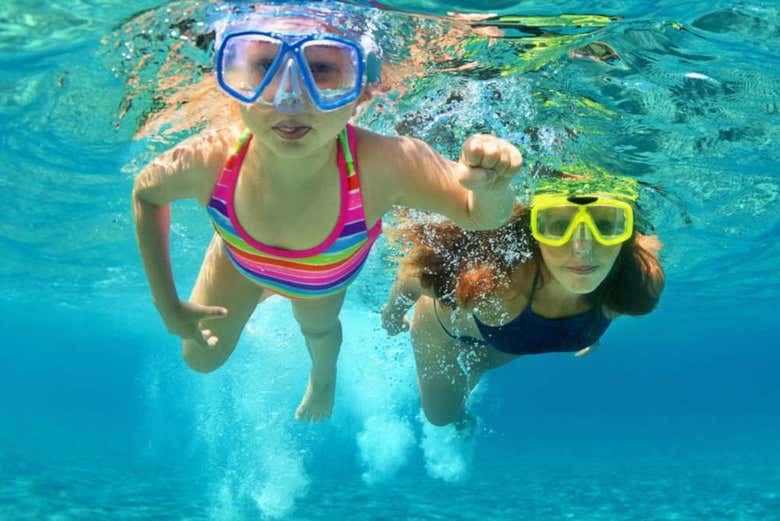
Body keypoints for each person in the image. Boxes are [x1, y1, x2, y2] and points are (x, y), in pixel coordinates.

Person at [131, 9, 522, 422]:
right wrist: (167, 305)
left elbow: (480, 217)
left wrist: (492, 187)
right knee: (199, 358)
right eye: (264, 65)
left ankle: (323, 380)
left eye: (320, 68)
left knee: (317, 331)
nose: (290, 96)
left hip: (320, 279)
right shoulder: (211, 159)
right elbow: (146, 194)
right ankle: (247, 263)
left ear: (362, 89)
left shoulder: (383, 165)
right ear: (232, 76)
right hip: (240, 258)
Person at [381, 172, 665, 427]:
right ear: (534, 232)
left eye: (605, 225)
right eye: (558, 226)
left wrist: (593, 329)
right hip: (445, 332)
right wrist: (392, 315)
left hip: (508, 337)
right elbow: (413, 276)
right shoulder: (496, 283)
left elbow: (616, 294)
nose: (583, 248)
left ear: (626, 235)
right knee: (441, 417)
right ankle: (461, 417)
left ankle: (475, 363)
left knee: (478, 362)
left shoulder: (638, 280)